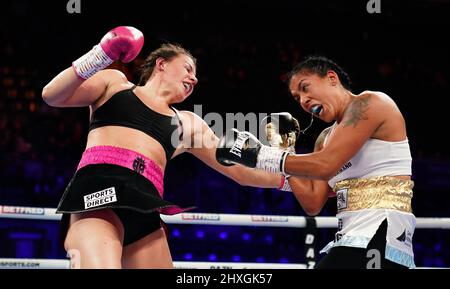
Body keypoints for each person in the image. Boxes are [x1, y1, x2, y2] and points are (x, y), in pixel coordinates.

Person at [42, 26, 289, 268]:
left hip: (144, 206)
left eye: (195, 75)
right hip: (96, 195)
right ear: (161, 64)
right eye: (188, 68)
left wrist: (290, 176)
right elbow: (52, 95)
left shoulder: (188, 123)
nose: (194, 78)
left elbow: (238, 170)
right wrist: (101, 55)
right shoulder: (114, 84)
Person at [216, 55, 416, 269]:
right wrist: (285, 149)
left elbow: (325, 165)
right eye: (296, 98)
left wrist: (259, 155)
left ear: (332, 78)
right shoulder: (325, 139)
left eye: (305, 88)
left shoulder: (369, 103)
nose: (303, 100)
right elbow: (312, 201)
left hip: (380, 233)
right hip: (351, 238)